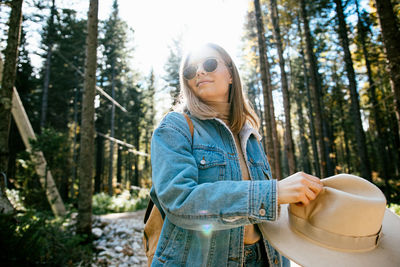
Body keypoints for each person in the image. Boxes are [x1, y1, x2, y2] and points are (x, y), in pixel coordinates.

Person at [149, 43, 323, 267]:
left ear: (230, 74)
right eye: (190, 71)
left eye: (209, 63)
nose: (200, 71)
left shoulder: (250, 136)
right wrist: (273, 191)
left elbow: (267, 215)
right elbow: (179, 199)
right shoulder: (175, 126)